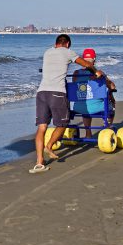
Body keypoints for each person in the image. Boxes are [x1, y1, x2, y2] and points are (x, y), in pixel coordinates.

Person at [30, 34, 103, 174]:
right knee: (63, 123)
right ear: (68, 44)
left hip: (41, 93)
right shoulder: (68, 52)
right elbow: (86, 64)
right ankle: (49, 146)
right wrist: (96, 71)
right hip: (57, 92)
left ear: (55, 43)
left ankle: (39, 162)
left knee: (42, 127)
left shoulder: (47, 52)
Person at [72, 48, 116, 138]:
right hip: (96, 107)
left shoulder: (76, 73)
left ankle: (88, 133)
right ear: (94, 60)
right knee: (111, 104)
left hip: (79, 107)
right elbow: (112, 87)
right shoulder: (99, 73)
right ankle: (108, 126)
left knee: (87, 102)